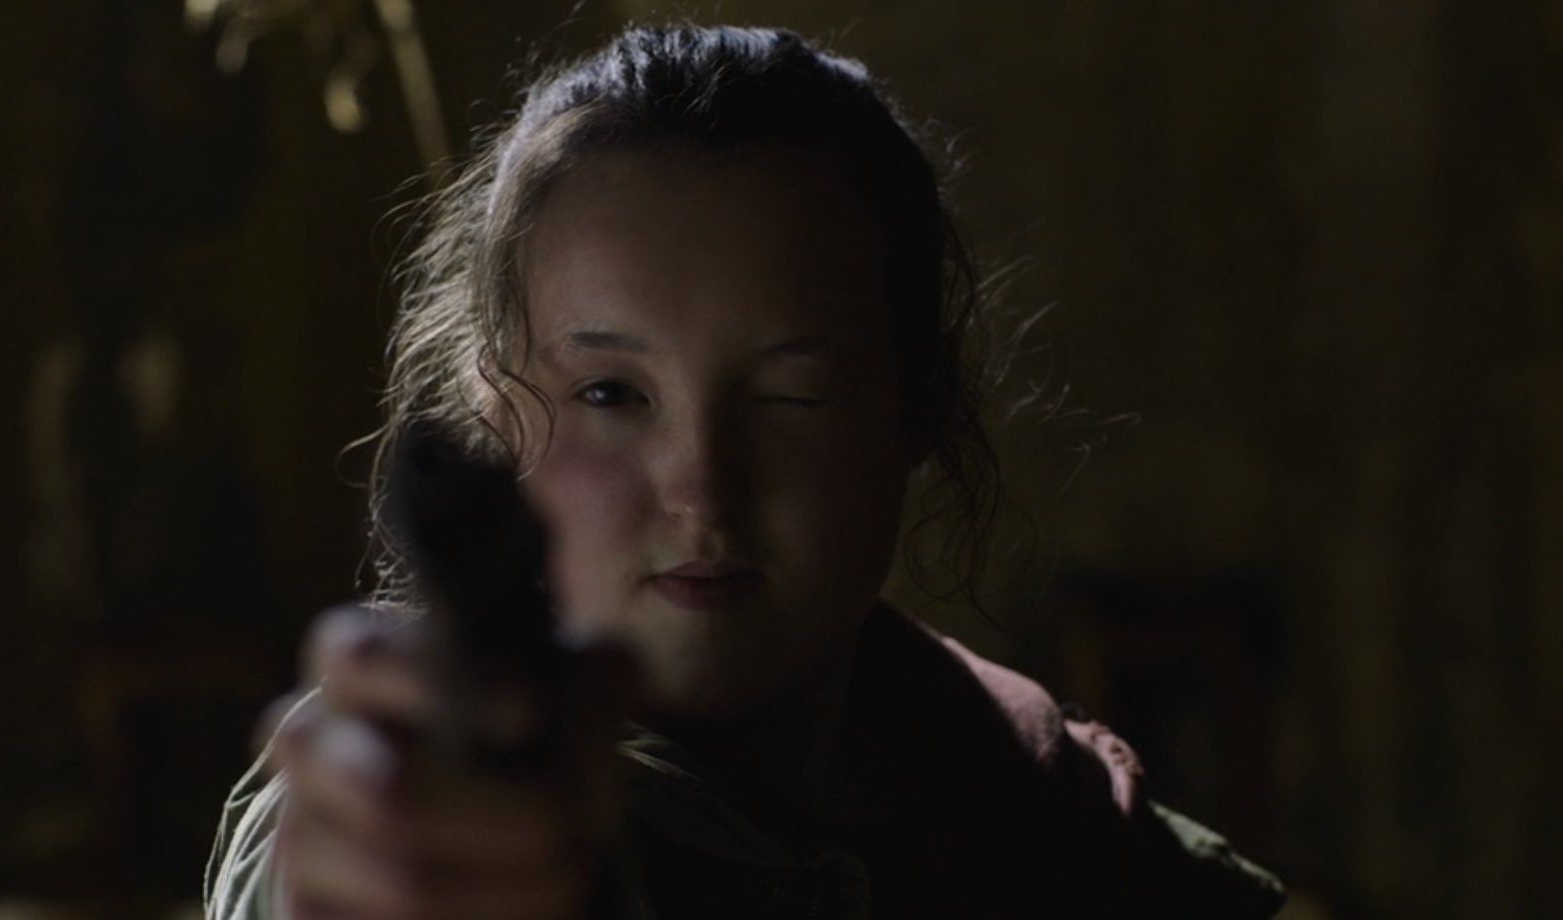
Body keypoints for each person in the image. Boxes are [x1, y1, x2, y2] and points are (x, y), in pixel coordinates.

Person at [205, 23, 1286, 920]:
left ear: (920, 404)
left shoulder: (1032, 799)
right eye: (610, 393)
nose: (701, 489)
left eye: (790, 397)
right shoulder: (435, 792)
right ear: (488, 415)